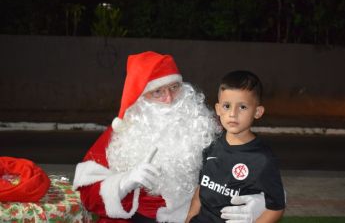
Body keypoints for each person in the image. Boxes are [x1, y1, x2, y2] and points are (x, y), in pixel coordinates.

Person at [73, 51, 265, 222]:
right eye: (158, 91)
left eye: (174, 87)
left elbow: (251, 165)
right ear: (140, 98)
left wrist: (261, 200)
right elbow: (88, 194)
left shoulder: (204, 126)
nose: (170, 99)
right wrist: (124, 182)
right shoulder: (121, 134)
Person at [186, 70, 285, 223]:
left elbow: (276, 207)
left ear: (257, 112)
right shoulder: (211, 145)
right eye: (227, 106)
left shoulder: (263, 159)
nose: (233, 113)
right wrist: (189, 218)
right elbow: (200, 190)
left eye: (243, 107)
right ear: (218, 109)